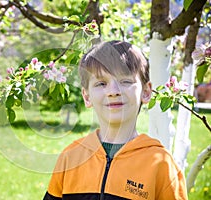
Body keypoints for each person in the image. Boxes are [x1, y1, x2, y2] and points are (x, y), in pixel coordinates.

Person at [43, 41, 188, 200]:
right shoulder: (70, 157)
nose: (113, 91)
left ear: (146, 92)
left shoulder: (161, 164)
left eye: (125, 81)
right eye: (101, 83)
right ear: (87, 96)